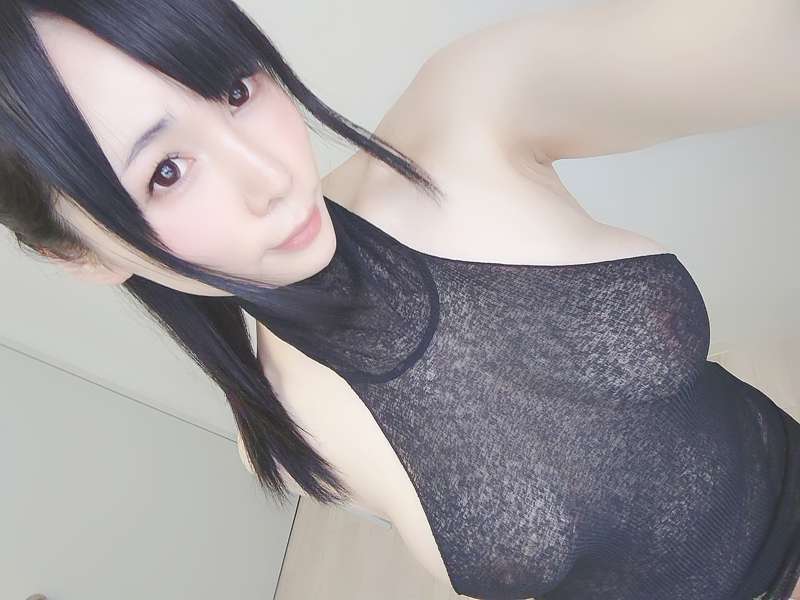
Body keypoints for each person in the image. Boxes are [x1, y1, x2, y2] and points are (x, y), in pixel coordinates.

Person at [2, 1, 799, 599]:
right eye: (167, 172)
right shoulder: (284, 439)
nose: (270, 175)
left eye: (235, 86)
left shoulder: (470, 113)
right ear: (78, 254)